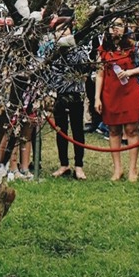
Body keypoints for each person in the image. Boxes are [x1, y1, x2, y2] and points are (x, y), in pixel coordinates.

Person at [95, 17, 139, 182]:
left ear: (125, 27)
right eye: (112, 26)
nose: (115, 29)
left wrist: (130, 72)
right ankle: (117, 168)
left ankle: (133, 168)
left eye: (119, 25)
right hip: (110, 92)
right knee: (113, 130)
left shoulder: (133, 47)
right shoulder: (102, 49)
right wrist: (97, 97)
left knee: (132, 130)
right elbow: (99, 74)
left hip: (129, 91)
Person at [48, 11, 90, 180]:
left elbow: (85, 66)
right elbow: (47, 71)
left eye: (65, 29)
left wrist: (71, 47)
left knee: (78, 130)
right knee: (61, 130)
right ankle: (63, 163)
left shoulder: (79, 48)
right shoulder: (51, 50)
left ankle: (79, 165)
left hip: (75, 93)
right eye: (58, 30)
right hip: (58, 93)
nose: (62, 32)